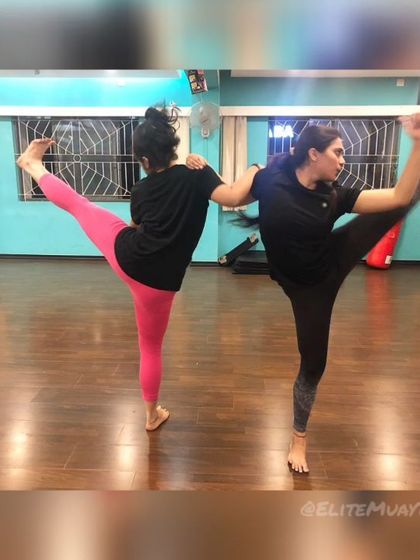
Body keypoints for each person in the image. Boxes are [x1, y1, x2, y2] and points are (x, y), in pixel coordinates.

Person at [198, 113, 420, 473]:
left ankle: (298, 436)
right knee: (313, 360)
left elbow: (399, 194)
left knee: (403, 202)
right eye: (338, 152)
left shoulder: (335, 196)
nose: (343, 160)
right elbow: (228, 193)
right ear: (313, 153)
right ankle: (298, 437)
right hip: (303, 287)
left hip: (329, 265)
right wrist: (199, 165)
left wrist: (418, 143)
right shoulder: (268, 179)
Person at [16, 105, 260, 432]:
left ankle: (32, 165)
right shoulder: (197, 174)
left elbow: (134, 225)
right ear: (174, 147)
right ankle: (150, 415)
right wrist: (256, 168)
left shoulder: (141, 190)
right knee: (151, 347)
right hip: (160, 285)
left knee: (80, 206)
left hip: (128, 258)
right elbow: (235, 195)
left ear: (144, 160)